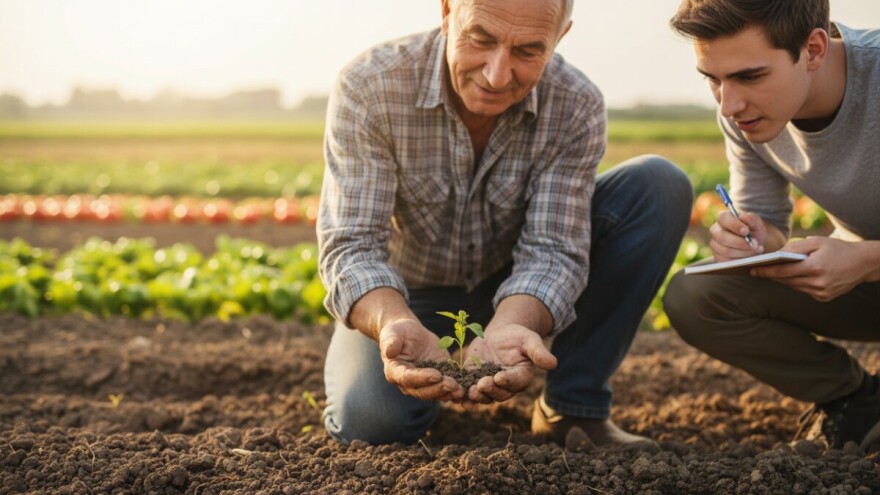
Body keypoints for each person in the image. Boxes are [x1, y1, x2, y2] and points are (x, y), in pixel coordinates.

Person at [317, 0, 692, 450]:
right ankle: (421, 387)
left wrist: (514, 322)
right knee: (372, 421)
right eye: (481, 39)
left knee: (657, 185)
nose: (497, 75)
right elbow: (352, 245)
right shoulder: (372, 85)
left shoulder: (575, 103)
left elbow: (554, 249)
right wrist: (393, 321)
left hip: (517, 286)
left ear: (560, 37)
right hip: (409, 296)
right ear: (446, 12)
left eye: (529, 50)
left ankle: (572, 408)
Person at [664, 0, 880, 450]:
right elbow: (767, 219)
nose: (728, 104)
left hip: (867, 266)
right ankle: (855, 398)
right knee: (696, 295)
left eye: (750, 76)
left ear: (814, 49)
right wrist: (758, 239)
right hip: (862, 281)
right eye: (712, 79)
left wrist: (867, 259)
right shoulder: (746, 115)